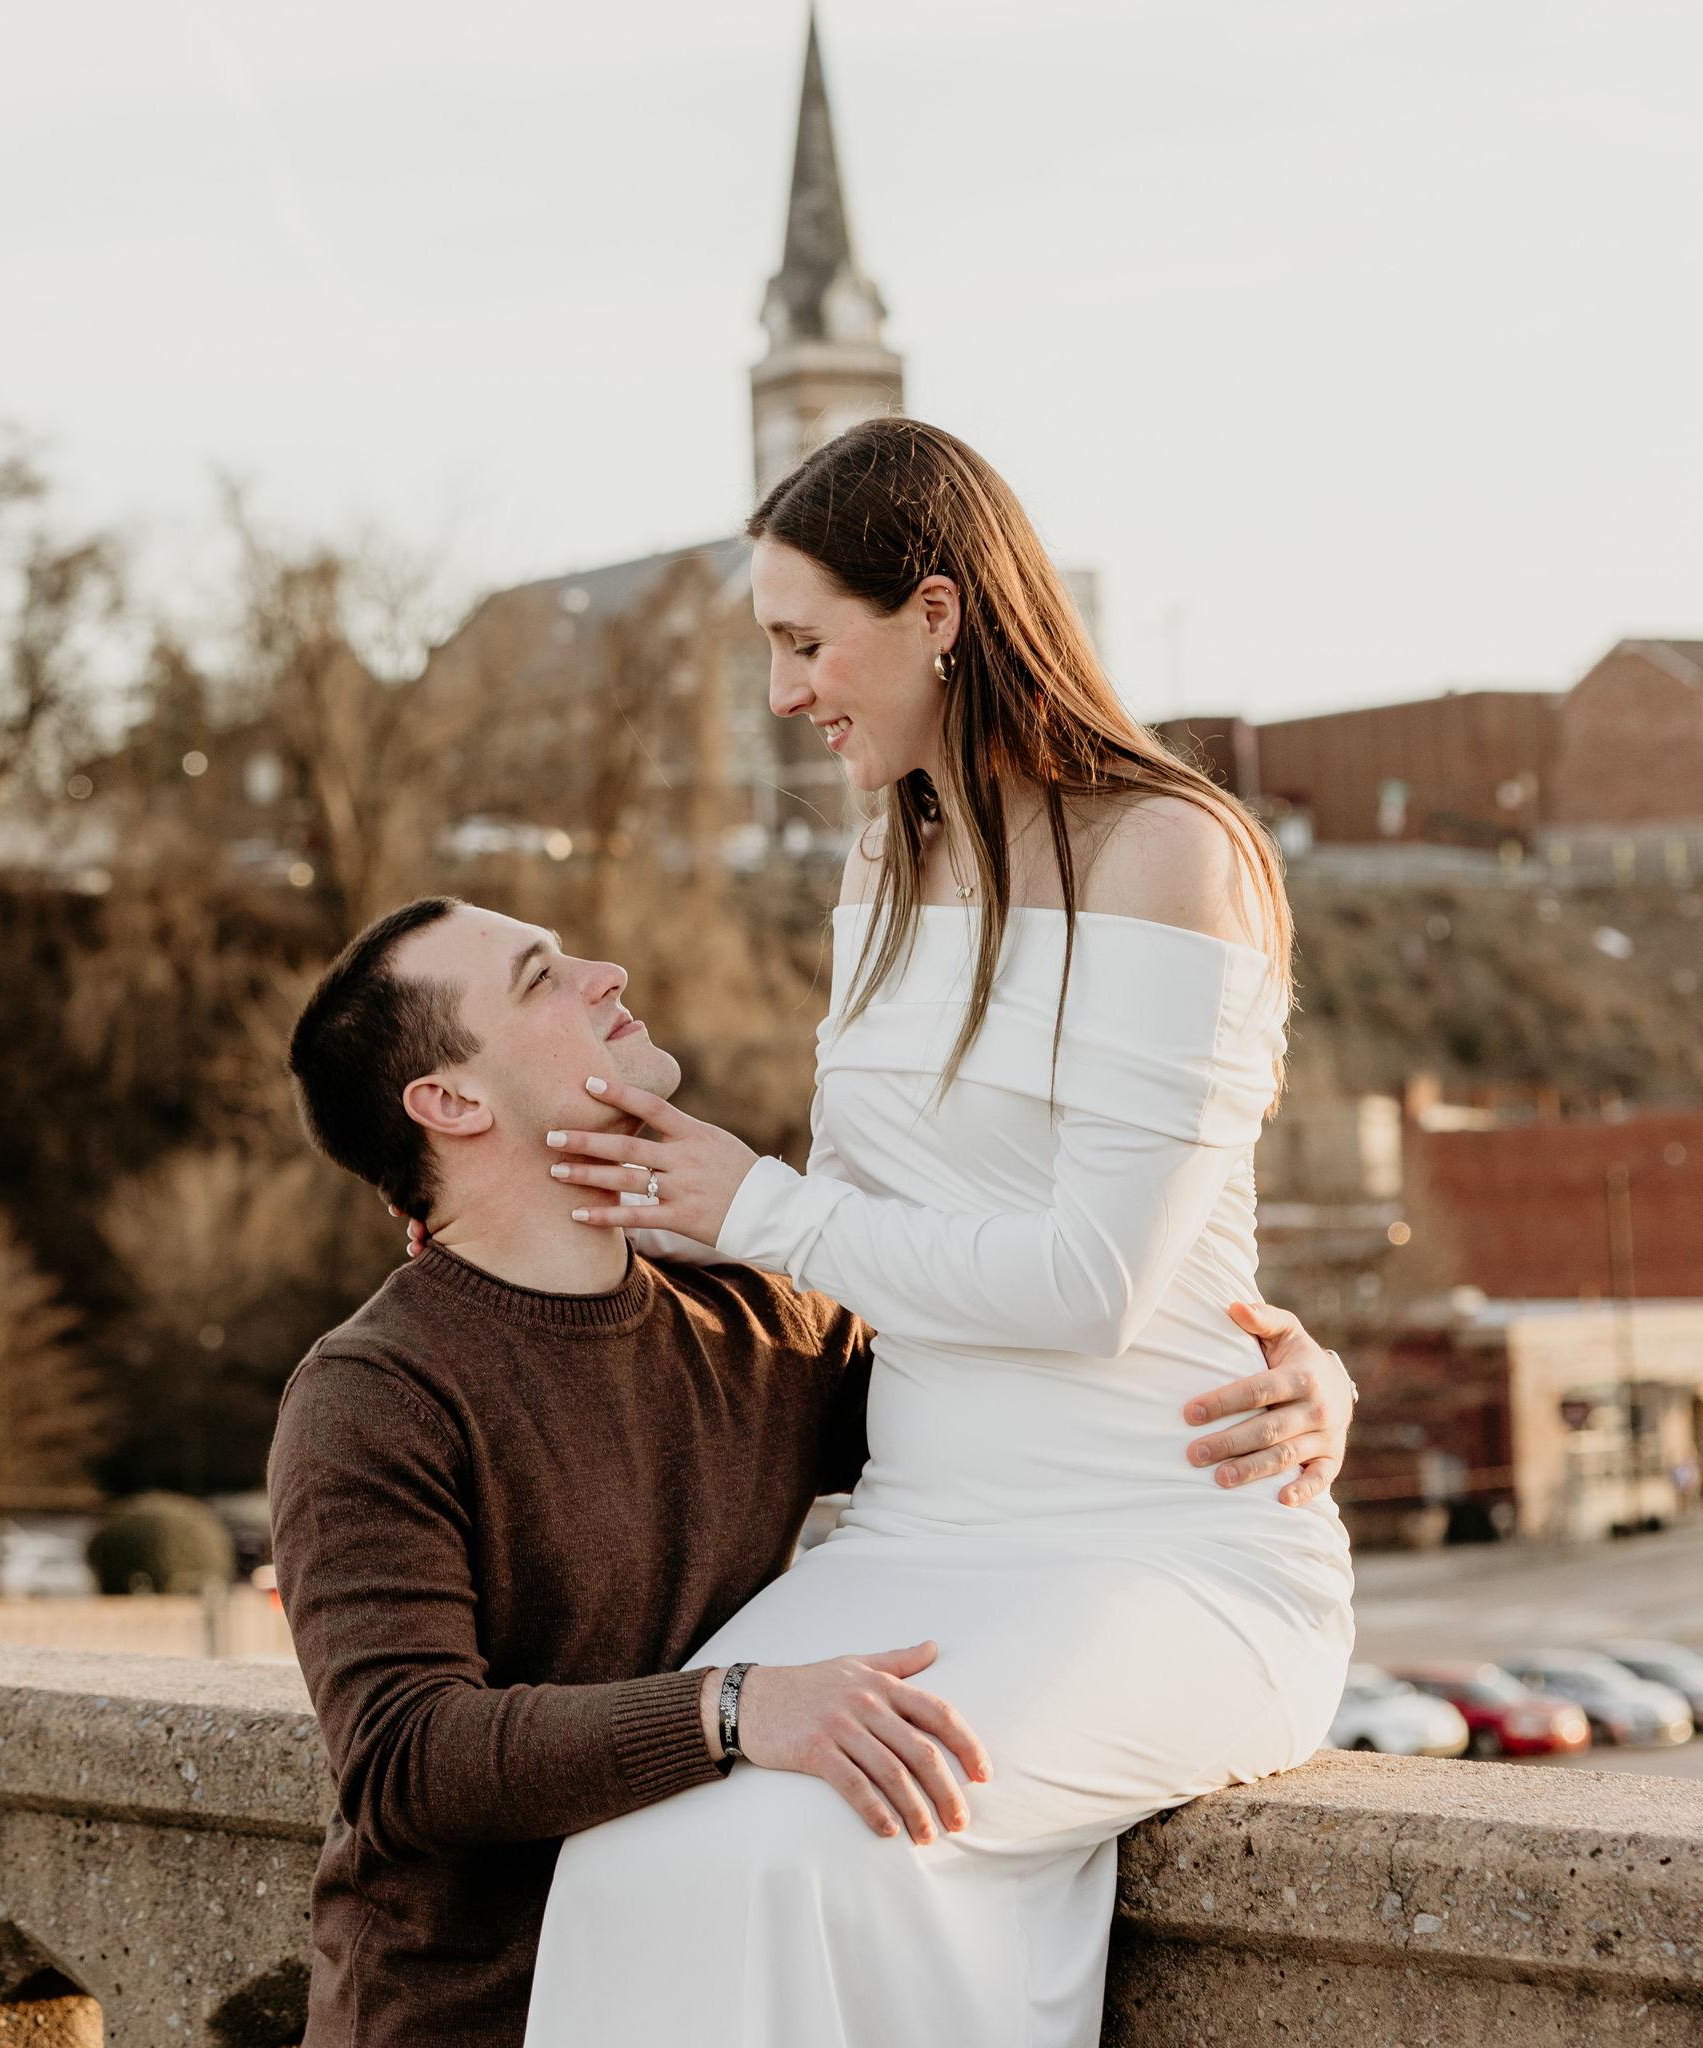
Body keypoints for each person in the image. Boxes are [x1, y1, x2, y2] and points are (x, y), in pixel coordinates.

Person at [523, 419, 1357, 2048]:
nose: (784, 694)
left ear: (936, 615)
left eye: (803, 642)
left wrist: (754, 1203)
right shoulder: (882, 857)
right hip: (911, 1534)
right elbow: (856, 1241)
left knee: (815, 1848)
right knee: (626, 1845)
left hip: (1158, 1547)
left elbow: (1097, 1284)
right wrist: (602, 1210)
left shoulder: (1169, 851)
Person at [268, 894, 1353, 2048]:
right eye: (540, 976)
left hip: (741, 1985)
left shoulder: (755, 1326)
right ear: (450, 1102)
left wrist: (1284, 1375)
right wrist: (736, 1706)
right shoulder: (372, 1393)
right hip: (471, 2016)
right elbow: (404, 1757)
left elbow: (1008, 1414)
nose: (605, 969)